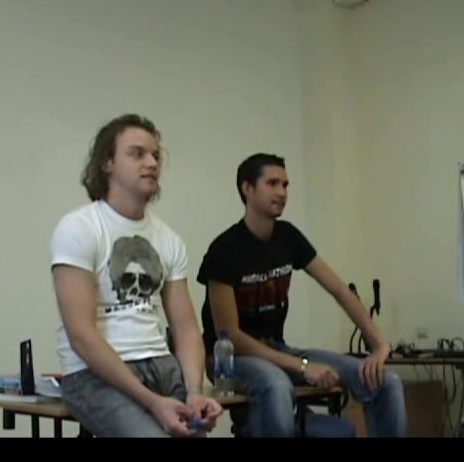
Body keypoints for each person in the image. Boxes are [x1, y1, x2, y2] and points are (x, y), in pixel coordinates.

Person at [197, 153, 409, 438]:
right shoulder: (224, 250)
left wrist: (379, 346)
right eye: (272, 183)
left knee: (386, 382)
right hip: (229, 360)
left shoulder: (288, 237)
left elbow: (340, 290)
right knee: (276, 385)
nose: (282, 192)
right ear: (247, 188)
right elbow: (231, 337)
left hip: (278, 349)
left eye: (285, 185)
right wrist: (303, 367)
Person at [51, 114, 223, 437]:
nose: (152, 163)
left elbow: (186, 329)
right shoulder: (79, 228)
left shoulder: (168, 239)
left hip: (162, 364)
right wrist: (152, 402)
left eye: (156, 155)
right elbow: (82, 336)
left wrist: (195, 391)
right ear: (108, 163)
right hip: (94, 375)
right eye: (137, 153)